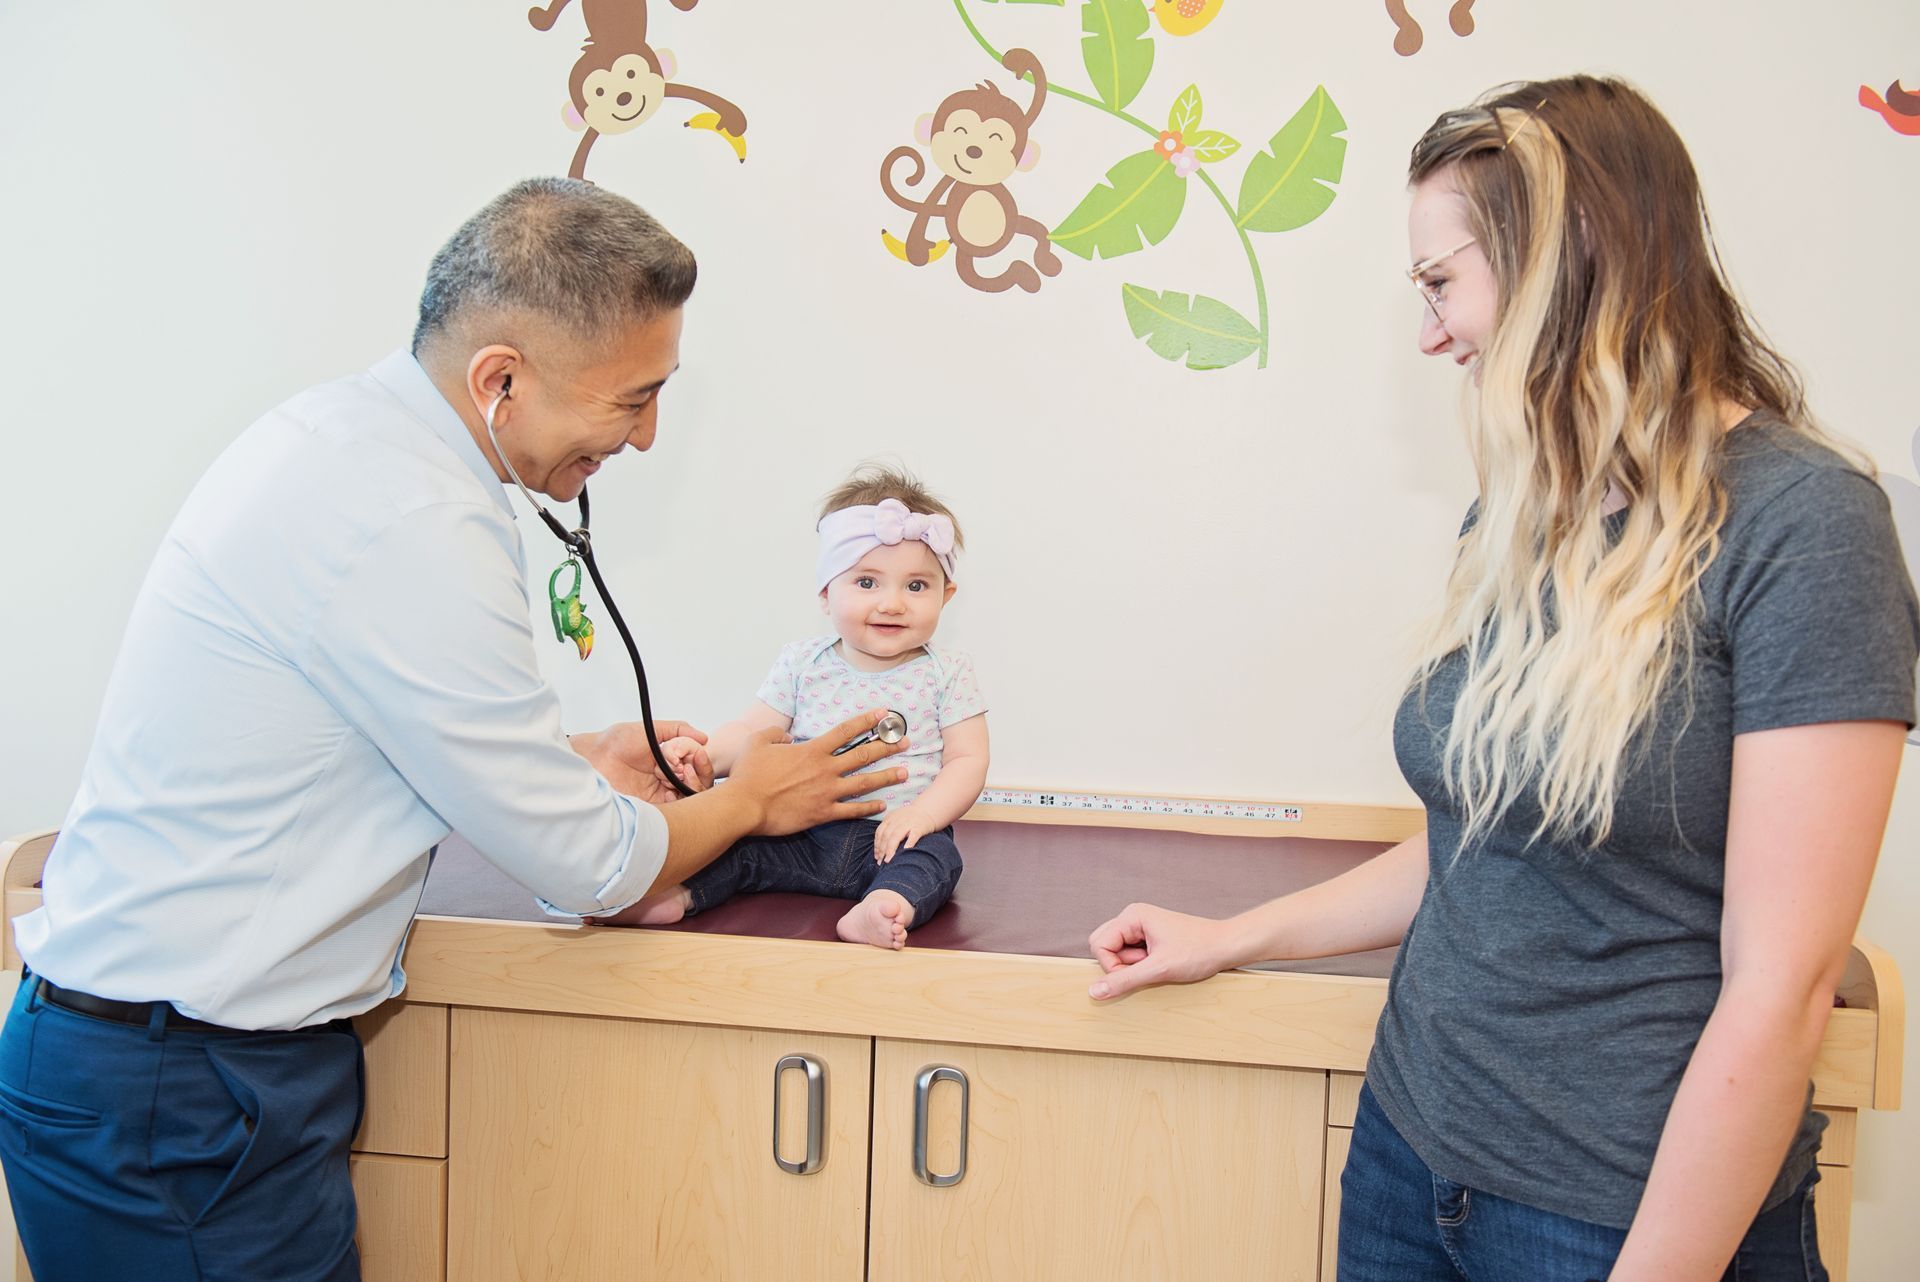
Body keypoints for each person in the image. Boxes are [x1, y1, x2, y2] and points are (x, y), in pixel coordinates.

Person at [1086, 75, 1919, 1282]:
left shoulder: (1807, 525)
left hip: (1616, 1218)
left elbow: (1781, 992)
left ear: (1569, 256)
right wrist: (1232, 936)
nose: (1430, 333)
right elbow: (1478, 839)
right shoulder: (1522, 514)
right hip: (1409, 1158)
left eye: (1441, 282)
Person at [0, 177, 907, 1282]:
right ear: (501, 381)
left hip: (180, 1078)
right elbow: (594, 867)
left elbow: (351, 722)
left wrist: (570, 756)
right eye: (631, 400)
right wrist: (754, 797)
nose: (648, 436)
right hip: (178, 1100)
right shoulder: (413, 519)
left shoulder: (344, 440)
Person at [612, 465, 989, 948]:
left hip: (891, 840)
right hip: (798, 831)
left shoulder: (947, 671)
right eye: (867, 583)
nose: (893, 603)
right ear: (826, 593)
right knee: (734, 841)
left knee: (936, 860)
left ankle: (881, 907)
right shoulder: (802, 662)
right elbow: (753, 730)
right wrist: (701, 753)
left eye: (916, 586)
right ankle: (677, 897)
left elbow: (967, 759)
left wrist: (924, 815)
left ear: (946, 595)